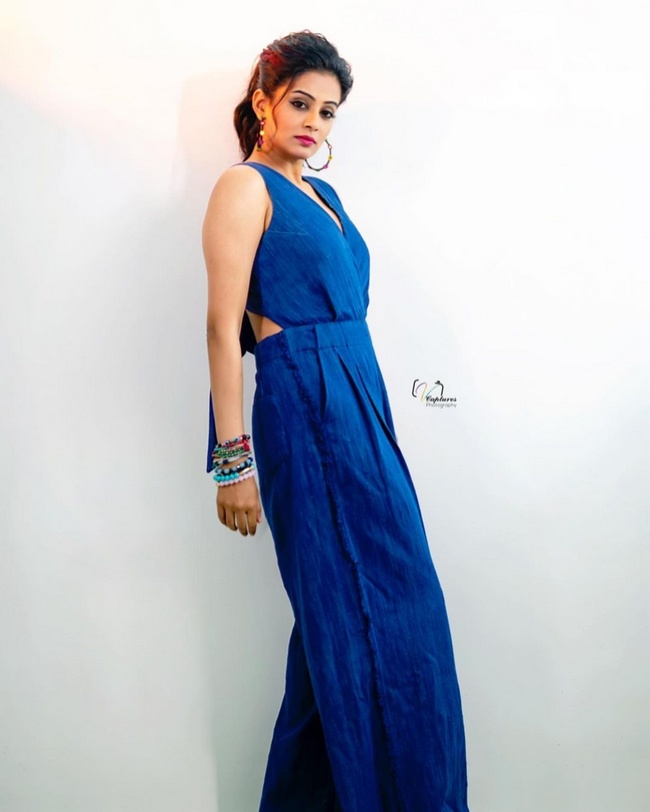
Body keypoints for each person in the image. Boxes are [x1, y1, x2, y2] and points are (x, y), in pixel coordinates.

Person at [203, 29, 470, 812]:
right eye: (301, 103)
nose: (314, 122)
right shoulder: (243, 188)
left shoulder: (327, 197)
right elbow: (222, 329)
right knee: (373, 611)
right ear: (263, 102)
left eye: (327, 112)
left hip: (362, 400)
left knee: (352, 620)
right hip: (305, 405)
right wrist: (232, 462)